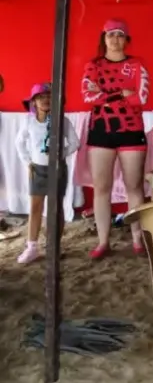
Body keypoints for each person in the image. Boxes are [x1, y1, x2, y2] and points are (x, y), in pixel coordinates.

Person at [81, 19, 149, 260]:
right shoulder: (93, 65)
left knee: (135, 186)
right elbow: (88, 96)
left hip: (131, 130)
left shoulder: (137, 64)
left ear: (126, 39)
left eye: (120, 35)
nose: (115, 39)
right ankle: (103, 242)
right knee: (101, 188)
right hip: (101, 131)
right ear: (104, 38)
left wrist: (107, 96)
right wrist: (121, 93)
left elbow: (141, 98)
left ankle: (137, 239)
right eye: (111, 34)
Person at [15, 83, 80, 264]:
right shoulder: (28, 122)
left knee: (56, 208)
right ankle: (32, 247)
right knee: (35, 207)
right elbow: (19, 143)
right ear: (33, 102)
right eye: (40, 97)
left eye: (49, 97)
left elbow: (75, 143)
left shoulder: (63, 121)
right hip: (37, 169)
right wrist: (28, 163)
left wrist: (60, 154)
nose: (45, 100)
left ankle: (54, 247)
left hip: (57, 169)